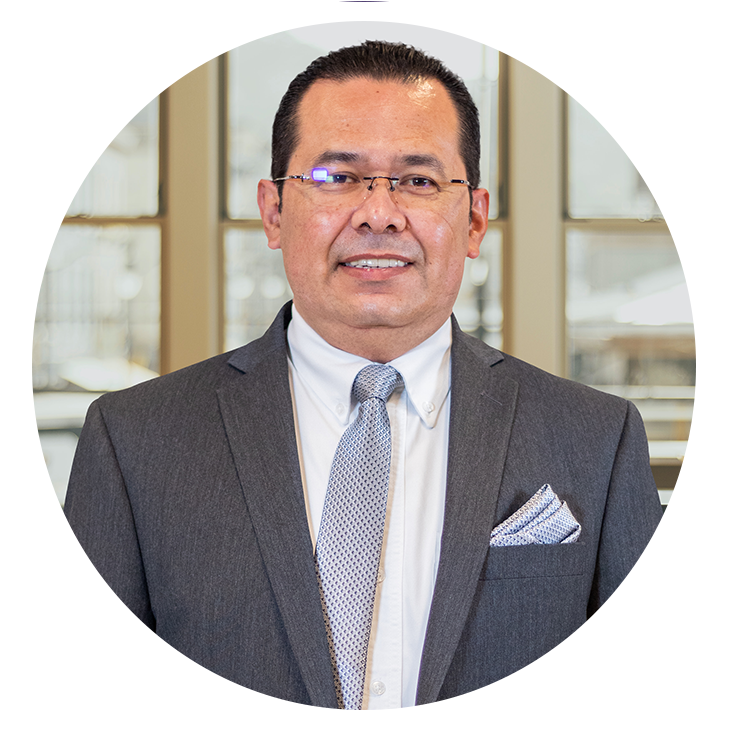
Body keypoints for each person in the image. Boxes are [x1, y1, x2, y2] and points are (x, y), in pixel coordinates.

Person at [42, 40, 688, 710]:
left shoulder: (596, 440)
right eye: (336, 177)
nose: (378, 214)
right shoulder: (134, 444)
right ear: (273, 211)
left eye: (418, 181)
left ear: (473, 219)